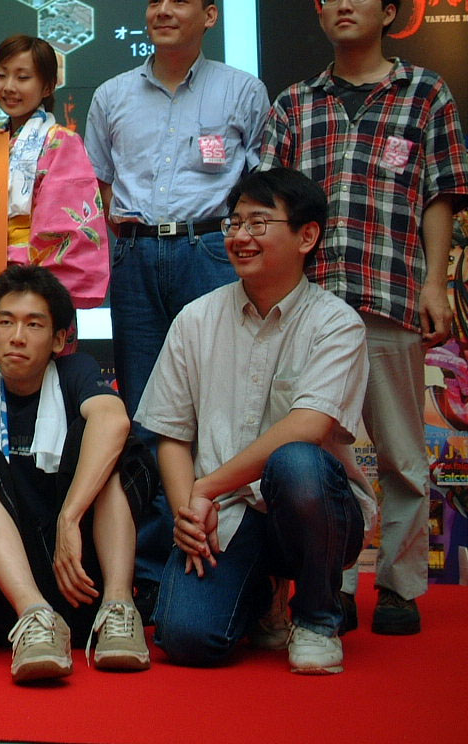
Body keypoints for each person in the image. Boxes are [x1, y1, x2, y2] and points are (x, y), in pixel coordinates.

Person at [260, 0, 468, 637]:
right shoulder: (295, 102)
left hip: (390, 295)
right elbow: (270, 204)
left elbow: (441, 194)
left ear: (389, 10)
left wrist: (435, 283)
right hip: (310, 309)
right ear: (320, 12)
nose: (344, 5)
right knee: (320, 454)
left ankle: (402, 587)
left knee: (402, 454)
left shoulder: (425, 93)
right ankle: (334, 584)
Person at [137, 168, 373, 674]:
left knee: (297, 463)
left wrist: (206, 487)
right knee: (186, 638)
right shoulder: (196, 319)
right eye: (235, 222)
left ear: (307, 236)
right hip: (227, 514)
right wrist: (188, 515)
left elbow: (309, 427)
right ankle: (263, 595)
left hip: (313, 510)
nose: (240, 236)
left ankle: (317, 619)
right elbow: (171, 434)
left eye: (259, 223)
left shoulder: (337, 324)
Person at [83, 0, 269, 600]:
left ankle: (221, 557)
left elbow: (259, 185)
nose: (163, 10)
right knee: (143, 410)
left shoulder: (242, 91)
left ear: (208, 15)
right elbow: (99, 186)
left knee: (216, 406)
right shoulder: (112, 95)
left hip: (210, 251)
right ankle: (148, 568)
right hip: (135, 256)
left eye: (180, 0)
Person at [0, 264, 154, 682]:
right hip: (5, 602)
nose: (17, 336)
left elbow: (114, 421)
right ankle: (35, 616)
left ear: (58, 340)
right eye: (5, 322)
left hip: (81, 582)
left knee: (111, 448)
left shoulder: (75, 372)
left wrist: (70, 517)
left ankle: (119, 607)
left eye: (33, 324)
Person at [0, 35, 108, 307]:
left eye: (22, 78)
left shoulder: (62, 142)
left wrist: (15, 272)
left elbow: (64, 227)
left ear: (48, 86)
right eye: (1, 75)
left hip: (37, 288)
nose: (9, 87)